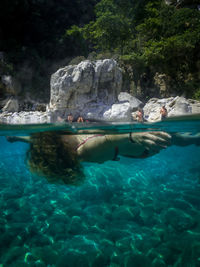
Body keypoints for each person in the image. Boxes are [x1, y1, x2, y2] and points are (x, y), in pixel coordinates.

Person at [6, 130, 200, 185]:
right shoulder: (84, 151)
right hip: (141, 146)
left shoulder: (61, 142)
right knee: (175, 138)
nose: (58, 133)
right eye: (56, 138)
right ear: (59, 148)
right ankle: (195, 139)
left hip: (129, 141)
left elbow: (37, 140)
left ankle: (192, 139)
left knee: (177, 138)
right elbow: (107, 140)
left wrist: (16, 137)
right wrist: (133, 135)